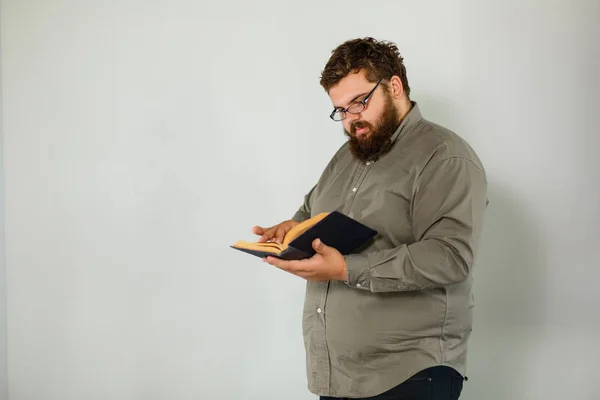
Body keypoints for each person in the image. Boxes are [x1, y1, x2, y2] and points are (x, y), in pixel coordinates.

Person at [252, 37, 488, 400]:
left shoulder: (444, 157)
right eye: (341, 110)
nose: (351, 120)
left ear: (394, 86)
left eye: (359, 102)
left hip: (409, 374)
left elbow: (450, 257)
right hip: (341, 376)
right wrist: (291, 228)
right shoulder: (348, 156)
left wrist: (346, 269)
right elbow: (311, 210)